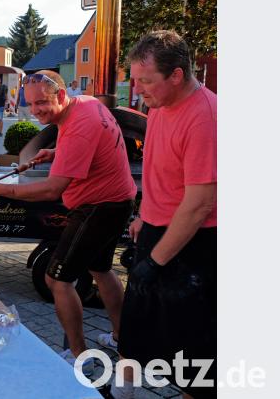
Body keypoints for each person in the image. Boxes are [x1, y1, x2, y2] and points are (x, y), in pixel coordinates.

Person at [0, 70, 136, 375]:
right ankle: (122, 338)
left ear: (60, 94)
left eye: (42, 103)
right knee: (101, 269)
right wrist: (57, 152)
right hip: (118, 199)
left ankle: (78, 354)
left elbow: (51, 189)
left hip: (97, 206)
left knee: (57, 280)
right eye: (31, 104)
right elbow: (90, 147)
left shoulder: (77, 126)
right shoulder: (86, 103)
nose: (36, 111)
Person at [103, 31, 217, 399]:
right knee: (135, 326)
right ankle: (122, 393)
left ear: (177, 75)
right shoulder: (160, 105)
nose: (139, 90)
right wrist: (143, 215)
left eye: (146, 81)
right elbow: (160, 171)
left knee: (191, 352)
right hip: (157, 229)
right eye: (136, 80)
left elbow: (199, 204)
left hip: (195, 244)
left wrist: (156, 260)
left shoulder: (205, 118)